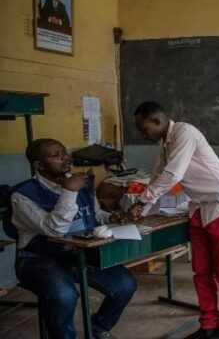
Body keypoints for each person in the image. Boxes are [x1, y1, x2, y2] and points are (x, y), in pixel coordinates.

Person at [129, 102, 219, 339]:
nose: (142, 134)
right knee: (201, 271)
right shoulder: (165, 144)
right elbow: (157, 177)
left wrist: (143, 202)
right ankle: (209, 323)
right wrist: (141, 208)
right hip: (199, 209)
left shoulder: (185, 132)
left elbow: (173, 174)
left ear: (157, 121)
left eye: (144, 129)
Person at [11, 139, 136, 339]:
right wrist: (69, 191)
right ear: (39, 165)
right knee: (64, 296)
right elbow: (55, 230)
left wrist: (111, 217)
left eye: (65, 152)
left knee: (125, 284)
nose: (65, 158)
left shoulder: (82, 184)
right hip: (39, 259)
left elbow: (95, 216)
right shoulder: (23, 195)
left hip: (78, 254)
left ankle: (97, 328)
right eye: (55, 155)